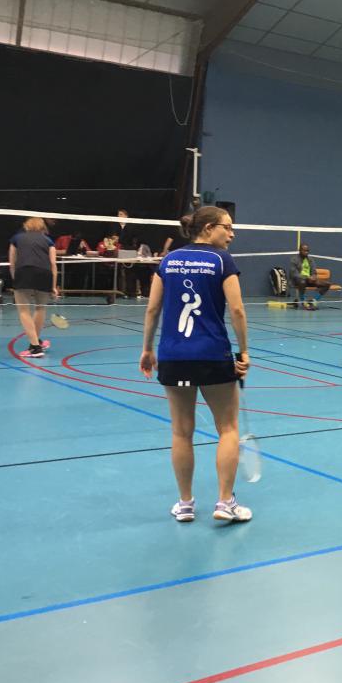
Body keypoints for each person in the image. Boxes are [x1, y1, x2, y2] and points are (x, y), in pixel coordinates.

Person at [139, 206, 251, 524]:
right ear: (209, 228)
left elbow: (152, 309)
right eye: (227, 227)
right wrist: (244, 352)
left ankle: (185, 504)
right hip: (213, 355)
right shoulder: (222, 261)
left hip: (173, 356)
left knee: (181, 432)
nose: (232, 234)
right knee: (228, 428)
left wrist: (147, 349)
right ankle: (225, 502)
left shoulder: (168, 260)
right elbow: (237, 310)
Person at [9, 217, 58, 358]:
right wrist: (53, 286)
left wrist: (15, 279)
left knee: (24, 311)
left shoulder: (16, 238)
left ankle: (36, 348)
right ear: (42, 227)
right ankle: (36, 342)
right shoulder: (48, 240)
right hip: (44, 274)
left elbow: (12, 262)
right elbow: (53, 264)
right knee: (40, 308)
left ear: (26, 226)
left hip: (24, 272)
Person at [290, 243, 331, 310]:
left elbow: (314, 271)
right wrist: (307, 277)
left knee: (327, 284)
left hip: (310, 280)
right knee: (302, 282)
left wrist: (313, 277)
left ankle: (313, 301)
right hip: (299, 280)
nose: (306, 252)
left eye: (307, 251)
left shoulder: (310, 259)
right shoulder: (294, 259)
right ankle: (303, 302)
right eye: (304, 250)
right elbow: (294, 274)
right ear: (300, 250)